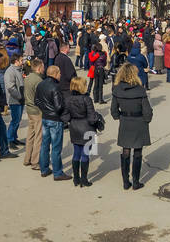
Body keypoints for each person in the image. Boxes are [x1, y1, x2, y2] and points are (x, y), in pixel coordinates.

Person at [108, 63, 155, 191]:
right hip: (138, 120)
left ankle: (125, 181)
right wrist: (147, 120)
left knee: (126, 150)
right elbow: (147, 110)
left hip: (125, 120)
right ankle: (135, 181)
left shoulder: (117, 89)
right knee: (138, 152)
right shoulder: (140, 90)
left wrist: (118, 117)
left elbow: (113, 109)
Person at [63, 73, 102, 187]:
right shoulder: (87, 99)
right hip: (87, 129)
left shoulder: (68, 99)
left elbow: (65, 116)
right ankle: (84, 179)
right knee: (85, 154)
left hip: (75, 127)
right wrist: (96, 118)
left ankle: (76, 178)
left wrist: (71, 119)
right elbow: (91, 118)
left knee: (76, 154)